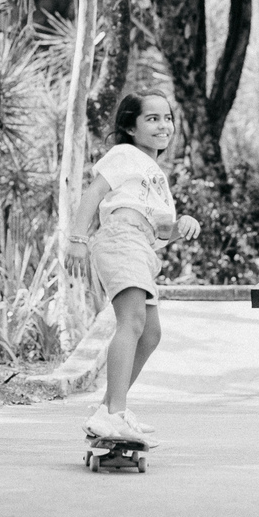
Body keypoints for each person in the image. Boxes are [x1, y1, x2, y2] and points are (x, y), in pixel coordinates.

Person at [66, 90, 201, 444]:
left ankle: (107, 409)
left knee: (151, 333)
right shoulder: (124, 154)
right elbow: (94, 194)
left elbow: (158, 231)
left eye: (167, 118)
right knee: (132, 322)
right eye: (152, 118)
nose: (163, 125)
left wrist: (181, 224)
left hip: (141, 247)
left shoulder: (156, 174)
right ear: (130, 126)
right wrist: (77, 239)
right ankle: (115, 414)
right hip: (120, 238)